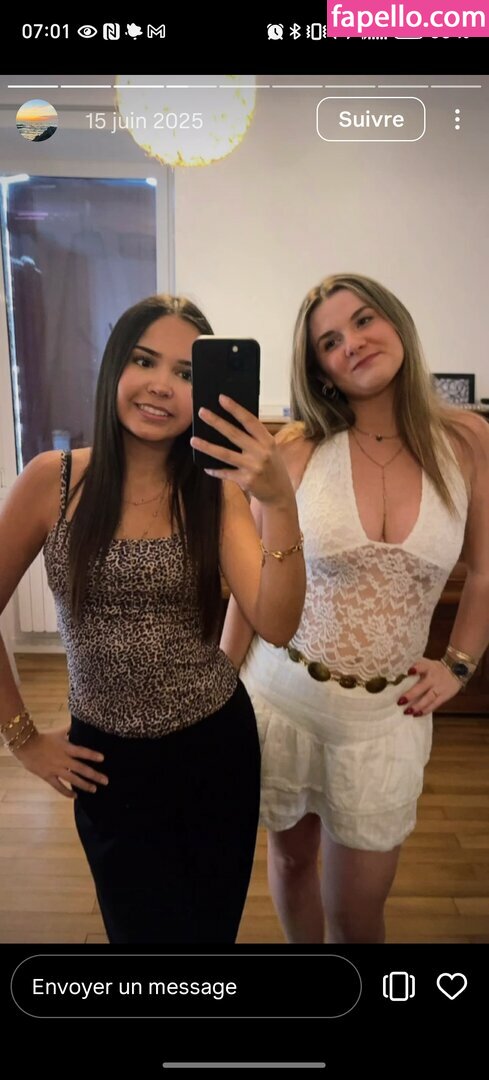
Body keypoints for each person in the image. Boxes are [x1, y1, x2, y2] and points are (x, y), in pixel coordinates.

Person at [0, 294, 306, 945]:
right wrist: (23, 739)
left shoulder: (215, 491)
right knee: (137, 936)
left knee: (209, 934)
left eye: (186, 372)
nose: (162, 385)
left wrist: (279, 502)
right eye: (144, 360)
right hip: (106, 760)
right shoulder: (54, 481)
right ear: (115, 366)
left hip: (214, 749)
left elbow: (276, 624)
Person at [221, 273, 489, 944]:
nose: (353, 343)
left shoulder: (467, 440)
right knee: (290, 860)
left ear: (395, 321)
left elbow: (485, 569)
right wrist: (218, 689)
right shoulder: (294, 451)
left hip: (384, 720)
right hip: (282, 699)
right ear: (319, 369)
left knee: (360, 911)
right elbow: (255, 586)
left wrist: (459, 665)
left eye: (364, 320)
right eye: (329, 341)